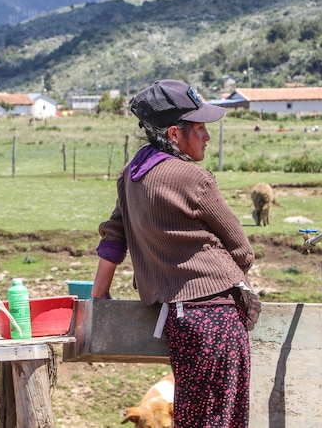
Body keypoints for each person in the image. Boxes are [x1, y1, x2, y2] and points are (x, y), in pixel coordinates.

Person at [93, 79, 255, 428]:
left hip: (179, 322)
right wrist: (232, 285)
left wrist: (100, 292)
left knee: (194, 418)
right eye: (199, 129)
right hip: (216, 319)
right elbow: (242, 250)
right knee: (220, 419)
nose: (207, 137)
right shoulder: (194, 179)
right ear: (174, 134)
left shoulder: (131, 175)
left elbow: (115, 234)